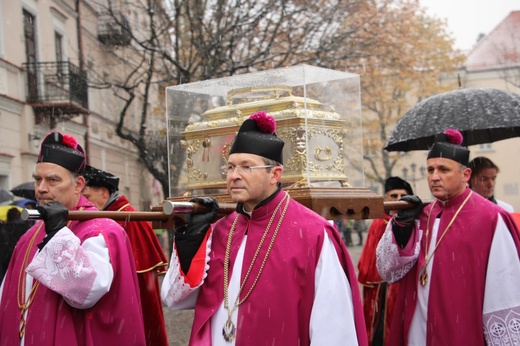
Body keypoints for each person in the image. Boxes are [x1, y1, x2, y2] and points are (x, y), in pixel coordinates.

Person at [161, 111, 367, 345]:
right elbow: (174, 300)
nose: (234, 176)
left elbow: (333, 326)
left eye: (246, 167)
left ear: (274, 174)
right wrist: (191, 243)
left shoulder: (314, 233)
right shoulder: (220, 230)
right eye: (230, 167)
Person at [376, 129, 520, 345]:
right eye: (430, 169)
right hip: (417, 326)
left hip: (461, 328)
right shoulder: (420, 214)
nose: (434, 177)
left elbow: (503, 291)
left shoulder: (491, 218)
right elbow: (388, 271)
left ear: (465, 175)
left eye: (443, 169)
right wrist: (401, 229)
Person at [0, 131, 146, 345]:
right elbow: (7, 294)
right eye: (38, 179)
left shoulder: (101, 230)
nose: (41, 188)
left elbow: (86, 293)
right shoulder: (30, 235)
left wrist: (58, 234)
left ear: (78, 185)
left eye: (52, 180)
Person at [82, 165, 169, 346]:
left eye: (87, 196)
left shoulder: (127, 218)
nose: (84, 202)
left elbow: (139, 279)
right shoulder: (111, 215)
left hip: (132, 299)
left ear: (104, 193)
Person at [358, 176, 413, 345]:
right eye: (393, 196)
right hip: (382, 289)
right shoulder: (379, 223)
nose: (398, 200)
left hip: (407, 286)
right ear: (386, 198)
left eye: (402, 196)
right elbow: (368, 262)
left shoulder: (415, 222)